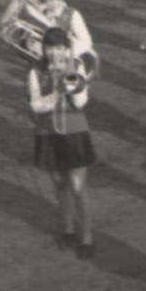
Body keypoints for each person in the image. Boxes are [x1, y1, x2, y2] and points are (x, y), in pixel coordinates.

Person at [28, 27, 97, 259]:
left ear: (67, 49)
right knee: (59, 184)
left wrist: (69, 82)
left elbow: (81, 102)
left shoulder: (76, 68)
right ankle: (67, 229)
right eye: (50, 48)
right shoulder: (35, 71)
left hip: (74, 132)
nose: (55, 53)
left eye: (59, 48)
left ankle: (86, 237)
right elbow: (36, 106)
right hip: (47, 132)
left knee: (78, 188)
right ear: (44, 49)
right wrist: (56, 92)